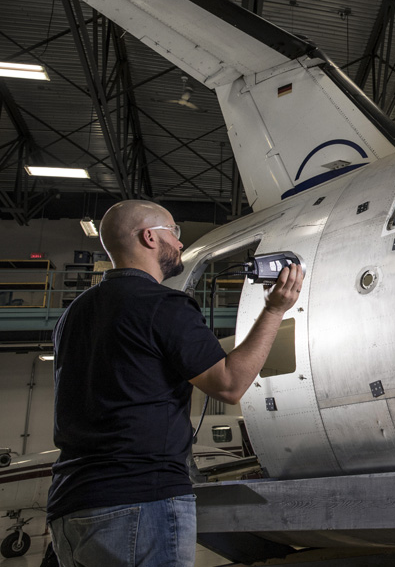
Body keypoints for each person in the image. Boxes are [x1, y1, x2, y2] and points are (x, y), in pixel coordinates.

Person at [47, 200, 303, 567]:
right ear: (150, 237)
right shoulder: (162, 305)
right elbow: (229, 385)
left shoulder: (75, 312)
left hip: (70, 504)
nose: (181, 244)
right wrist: (275, 309)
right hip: (139, 502)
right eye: (175, 232)